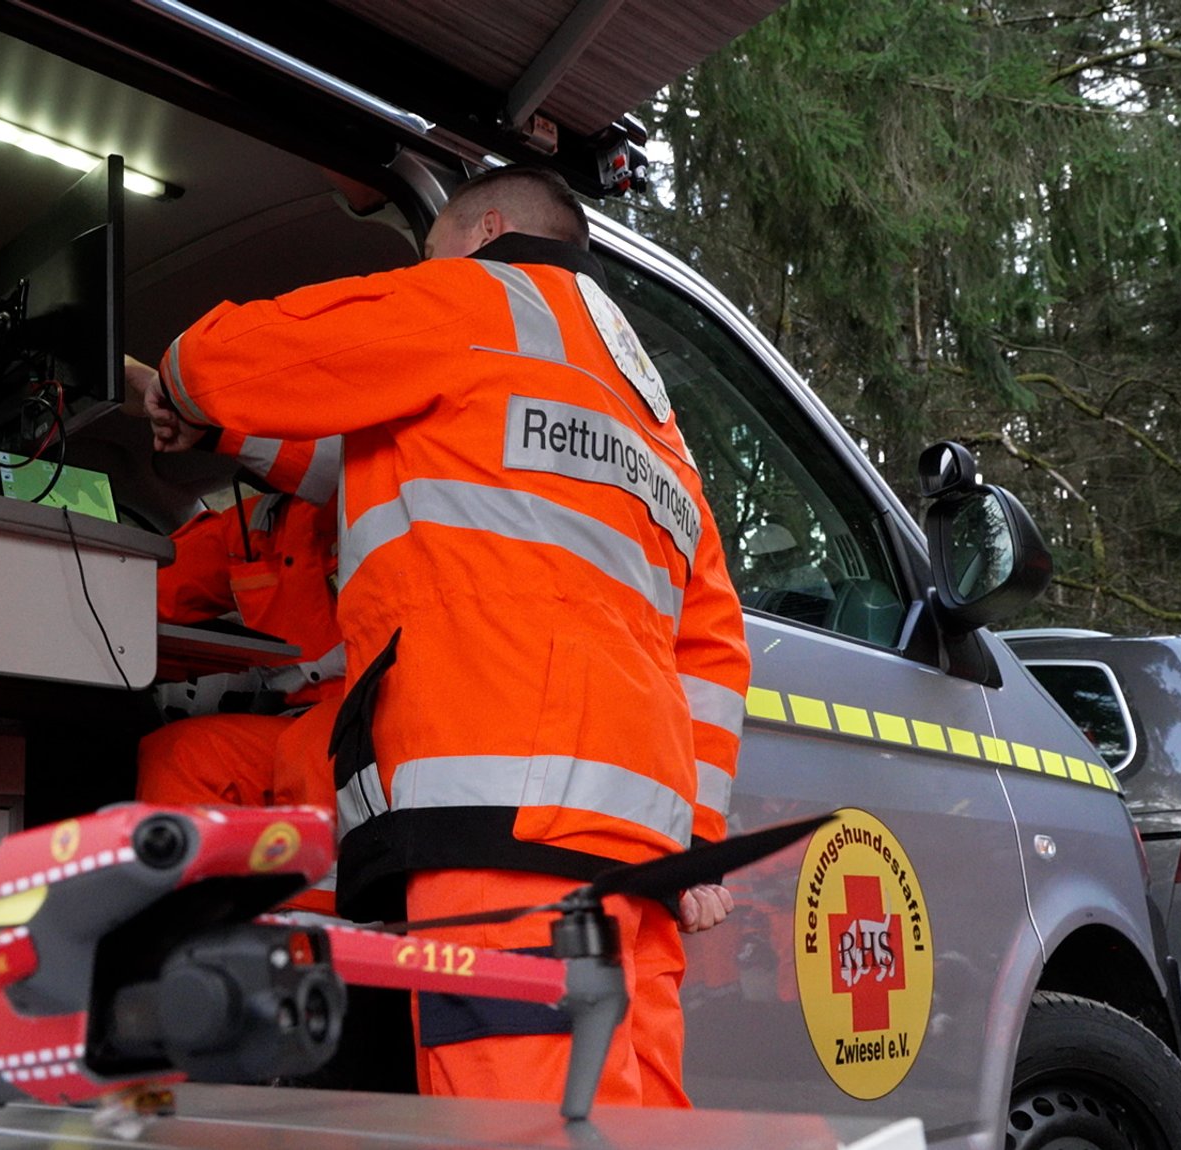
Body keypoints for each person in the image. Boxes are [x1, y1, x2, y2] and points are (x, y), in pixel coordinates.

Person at [123, 165, 749, 1110]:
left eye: (428, 251)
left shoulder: (470, 297)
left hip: (502, 829)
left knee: (515, 1122)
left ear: (484, 230)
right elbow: (711, 641)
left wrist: (173, 384)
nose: (422, 271)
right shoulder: (651, 416)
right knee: (634, 1122)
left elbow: (236, 359)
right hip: (639, 847)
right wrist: (698, 837)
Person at [133, 433, 347, 913]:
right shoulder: (258, 527)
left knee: (311, 753)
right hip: (304, 724)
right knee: (182, 753)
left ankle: (310, 946)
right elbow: (144, 588)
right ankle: (194, 926)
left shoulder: (377, 499)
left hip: (399, 714)